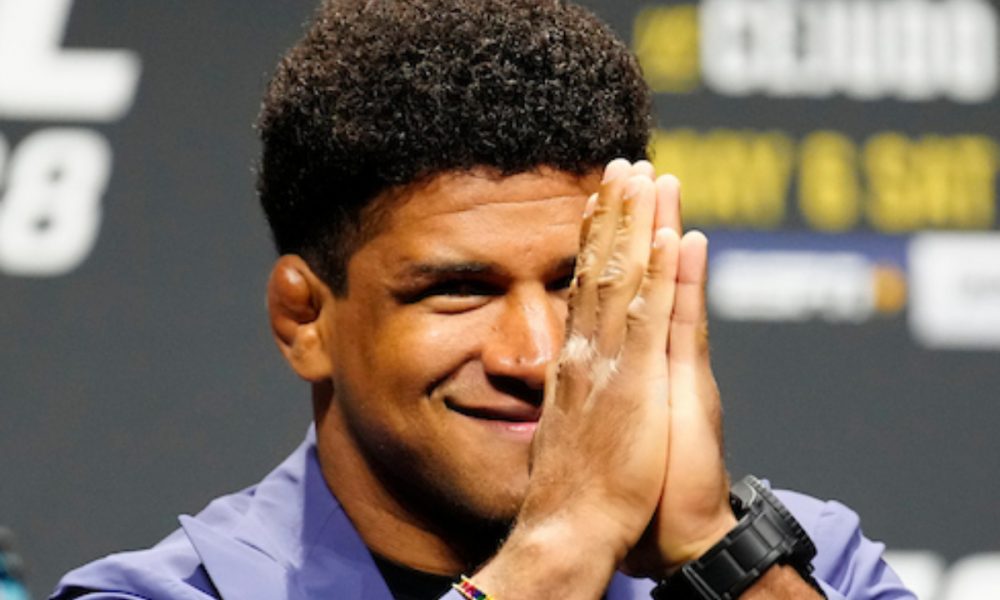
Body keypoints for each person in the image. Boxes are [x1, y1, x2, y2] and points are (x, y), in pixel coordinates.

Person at [52, 1, 914, 598]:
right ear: (305, 319)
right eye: (459, 291)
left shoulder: (804, 569)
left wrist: (716, 554)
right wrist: (563, 544)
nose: (536, 357)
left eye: (578, 283)